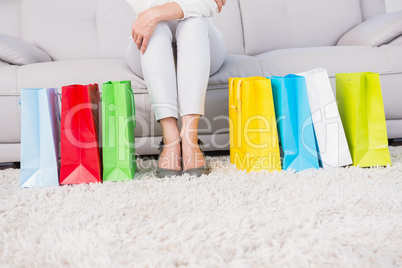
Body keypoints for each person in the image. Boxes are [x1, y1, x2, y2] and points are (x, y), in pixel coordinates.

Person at [125, 0, 227, 177]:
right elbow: (144, 9)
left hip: (203, 45)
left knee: (194, 22)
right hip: (148, 47)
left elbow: (210, 4)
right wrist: (153, 14)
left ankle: (189, 138)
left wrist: (154, 13)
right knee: (156, 26)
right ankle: (170, 138)